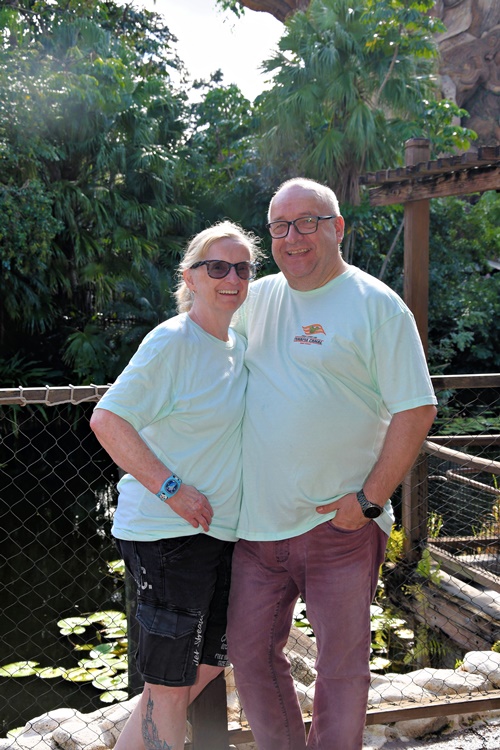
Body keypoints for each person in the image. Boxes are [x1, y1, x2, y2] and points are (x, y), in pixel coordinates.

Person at [226, 178, 437, 750]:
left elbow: (416, 408)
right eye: (280, 226)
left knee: (342, 670)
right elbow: (206, 358)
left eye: (307, 222)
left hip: (340, 527)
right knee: (249, 654)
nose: (292, 237)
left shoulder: (376, 306)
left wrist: (368, 501)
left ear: (337, 228)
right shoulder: (254, 300)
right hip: (256, 527)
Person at [90, 221, 261, 750]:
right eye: (218, 267)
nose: (231, 278)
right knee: (167, 688)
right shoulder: (172, 341)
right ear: (190, 277)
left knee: (202, 667)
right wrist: (173, 489)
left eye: (242, 268)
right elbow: (108, 420)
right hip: (168, 536)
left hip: (221, 536)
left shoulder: (238, 345)